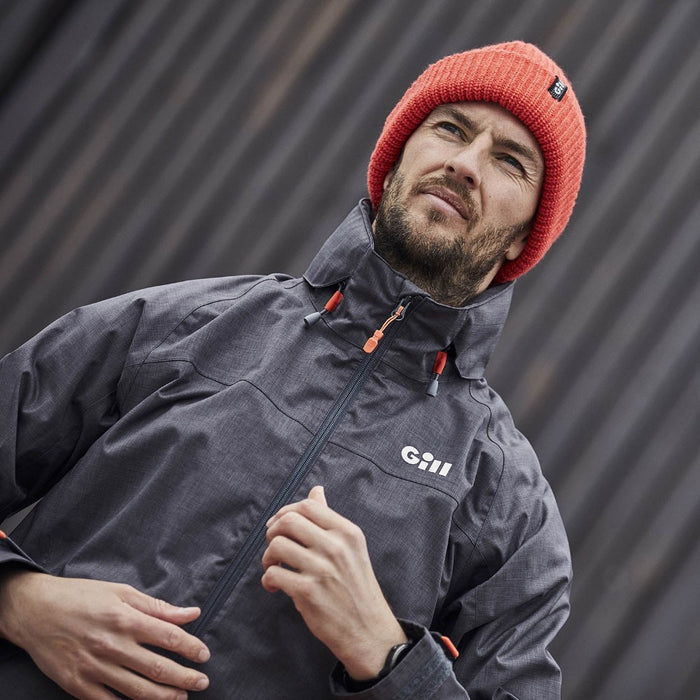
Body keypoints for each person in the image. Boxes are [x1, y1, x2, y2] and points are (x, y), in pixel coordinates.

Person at [0, 40, 585, 699]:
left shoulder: (506, 503)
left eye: (510, 161)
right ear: (396, 157)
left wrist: (386, 655)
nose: (466, 164)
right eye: (451, 128)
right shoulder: (181, 326)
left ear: (525, 234)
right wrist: (19, 601)